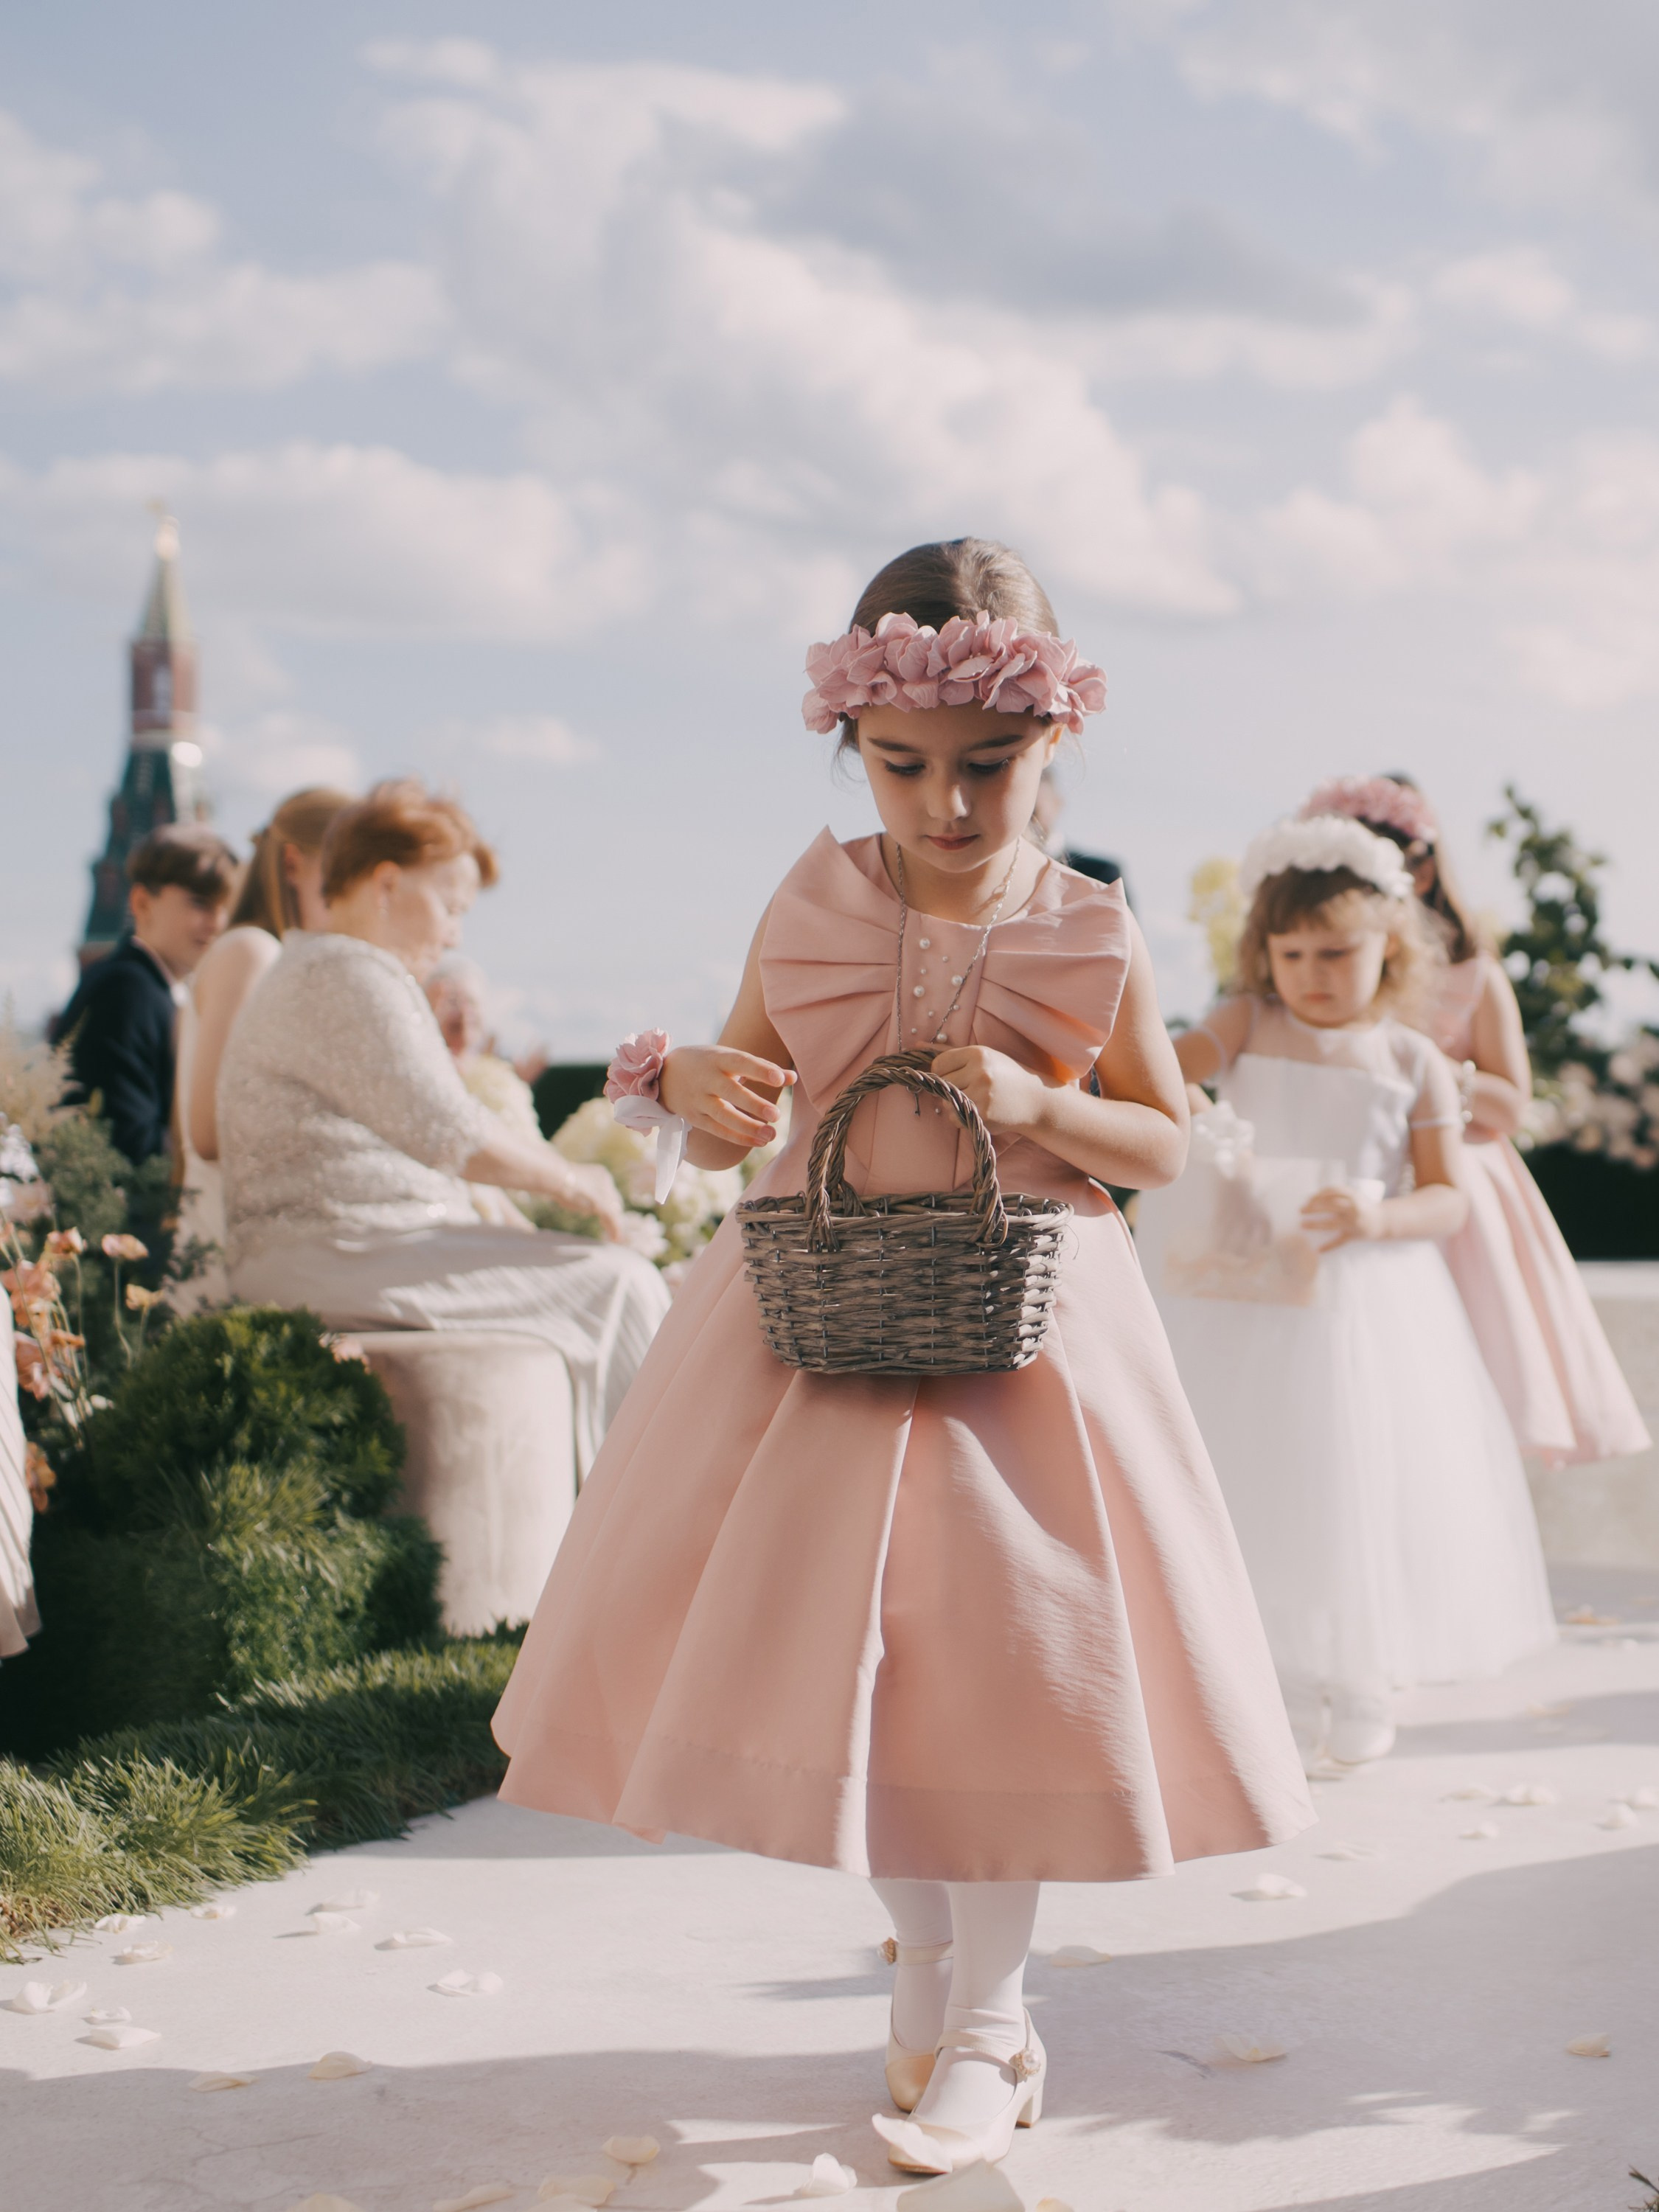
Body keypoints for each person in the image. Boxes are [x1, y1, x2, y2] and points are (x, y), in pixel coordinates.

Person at [492, 539, 1313, 2178]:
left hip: (1025, 1343)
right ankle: (932, 1974)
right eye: (906, 766)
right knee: (859, 1670)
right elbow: (742, 1110)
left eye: (988, 769)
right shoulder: (811, 900)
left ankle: (996, 2028)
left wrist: (1039, 1104)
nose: (947, 806)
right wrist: (709, 1094)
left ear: (1053, 741)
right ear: (854, 745)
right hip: (818, 1334)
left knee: (1002, 1674)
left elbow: (1158, 1143)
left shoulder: (1092, 928)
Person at [1149, 813, 1555, 1771]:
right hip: (1244, 1297)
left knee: (1361, 1485)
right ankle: (1273, 1675)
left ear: (1391, 950)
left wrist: (1378, 1218)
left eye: (1334, 952)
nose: (1310, 973)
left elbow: (1448, 1196)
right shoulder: (1247, 1025)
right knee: (1254, 1475)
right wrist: (1226, 1158)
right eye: (1288, 952)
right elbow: (1162, 1077)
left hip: (1369, 1309)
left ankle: (1361, 1673)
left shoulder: (1410, 1059)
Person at [218, 779, 670, 1477]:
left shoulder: (316, 966)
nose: (456, 933)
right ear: (389, 884)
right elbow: (449, 1131)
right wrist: (578, 1184)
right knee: (622, 1286)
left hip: (340, 1246)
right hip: (337, 1251)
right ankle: (653, 1532)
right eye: (451, 906)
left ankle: (622, 1522)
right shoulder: (347, 970)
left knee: (608, 1281)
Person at [1301, 775, 1649, 1467]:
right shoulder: (1314, 965)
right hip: (1347, 1175)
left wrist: (1427, 1073)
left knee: (1459, 1390)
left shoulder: (1472, 974)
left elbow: (1510, 1102)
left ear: (1421, 865)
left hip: (1457, 1187)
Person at [173, 787, 353, 1310]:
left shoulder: (283, 960)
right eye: (343, 868)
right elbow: (209, 1132)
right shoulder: (252, 953)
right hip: (233, 1253)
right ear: (295, 863)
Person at [52, 824, 238, 1165]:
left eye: (224, 907)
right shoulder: (126, 992)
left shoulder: (144, 986)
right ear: (141, 902)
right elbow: (130, 1146)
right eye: (200, 903)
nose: (217, 923)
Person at [426, 956, 546, 1227]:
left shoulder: (495, 1068)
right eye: (453, 1003)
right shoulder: (430, 1068)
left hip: (530, 1187)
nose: (465, 1013)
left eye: (472, 1003)